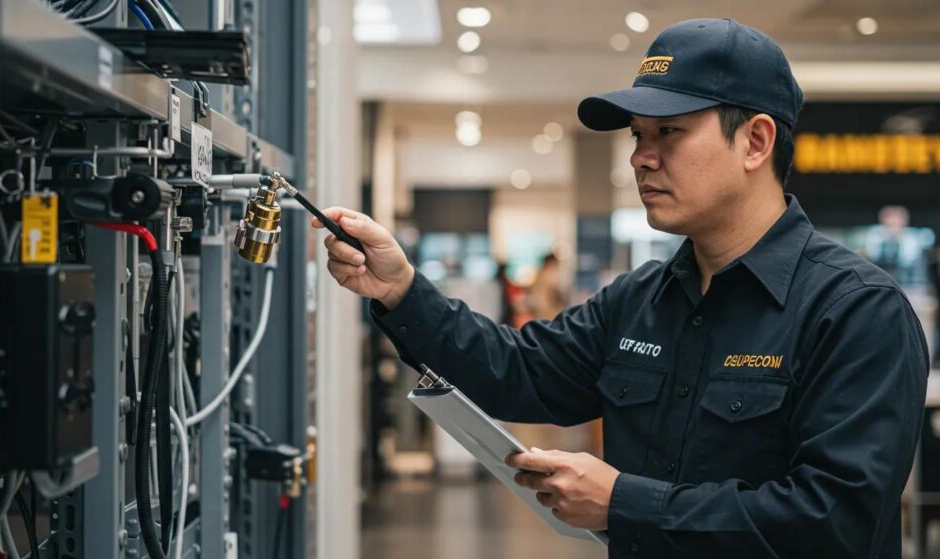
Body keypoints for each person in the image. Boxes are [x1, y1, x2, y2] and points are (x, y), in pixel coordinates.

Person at [313, 18, 927, 558]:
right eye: (639, 135)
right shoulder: (641, 300)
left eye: (670, 133)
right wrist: (400, 291)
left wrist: (624, 503)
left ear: (756, 142)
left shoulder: (855, 312)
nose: (641, 157)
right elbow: (518, 371)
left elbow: (835, 522)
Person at [526, 253, 568, 321]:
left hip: (543, 318)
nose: (557, 269)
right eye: (555, 266)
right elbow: (543, 306)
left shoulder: (538, 277)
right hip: (549, 318)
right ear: (550, 264)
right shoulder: (546, 278)